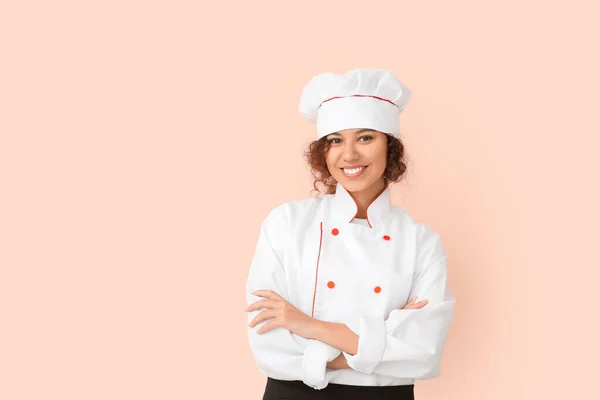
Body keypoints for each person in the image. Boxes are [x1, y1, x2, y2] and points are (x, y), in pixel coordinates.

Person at [246, 68, 456, 400]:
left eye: (365, 137)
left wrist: (306, 325)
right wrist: (384, 348)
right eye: (335, 141)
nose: (349, 155)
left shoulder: (421, 242)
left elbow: (422, 352)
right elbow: (268, 346)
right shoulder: (286, 224)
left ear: (390, 147)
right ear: (322, 152)